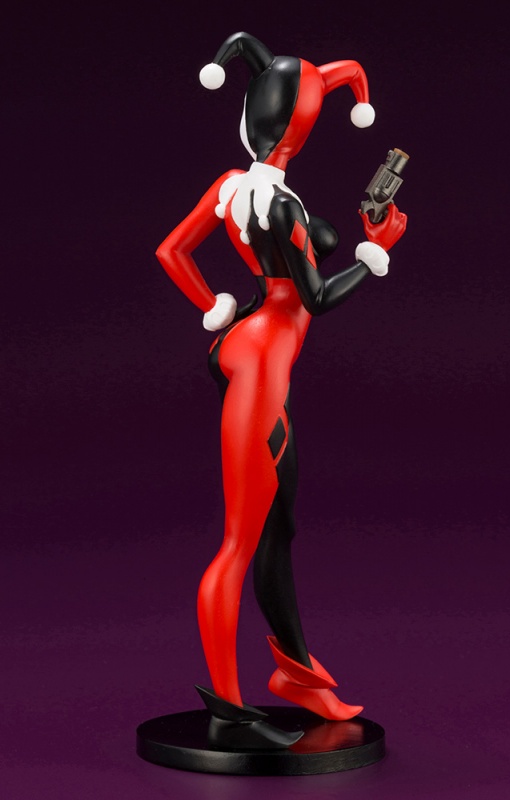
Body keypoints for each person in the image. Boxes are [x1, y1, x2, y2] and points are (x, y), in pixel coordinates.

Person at [156, 32, 407, 749]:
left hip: (247, 342)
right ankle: (227, 709)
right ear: (302, 125)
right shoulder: (282, 207)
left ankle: (296, 673)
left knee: (277, 528)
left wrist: (212, 305)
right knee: (241, 541)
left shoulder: (231, 189)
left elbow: (172, 251)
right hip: (264, 362)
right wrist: (377, 252)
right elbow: (316, 299)